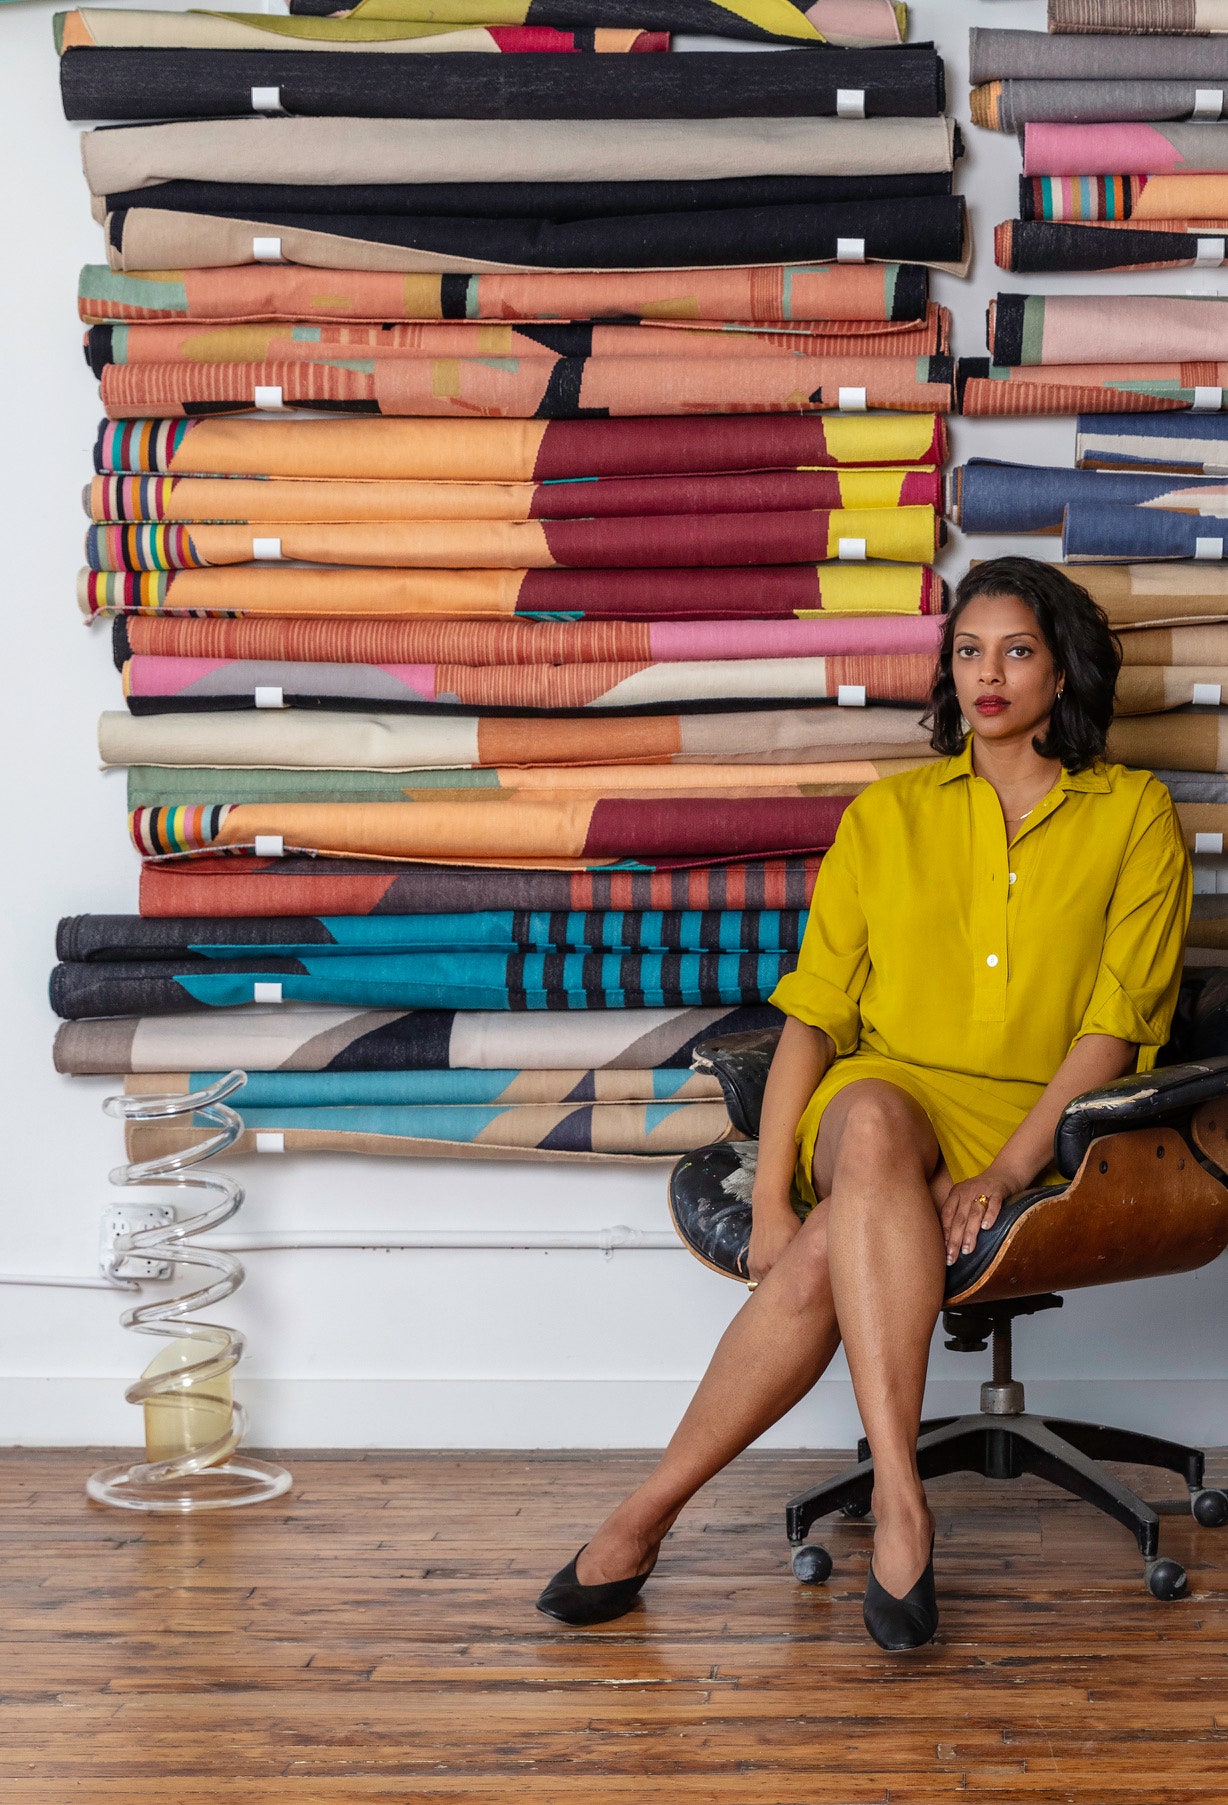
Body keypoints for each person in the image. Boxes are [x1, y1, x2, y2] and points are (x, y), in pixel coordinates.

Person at [536, 556, 1192, 1650]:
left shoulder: (1133, 815)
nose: (987, 673)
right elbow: (814, 1017)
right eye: (968, 649)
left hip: (1031, 1119)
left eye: (1016, 649)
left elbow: (1111, 1029)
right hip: (880, 1097)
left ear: (1062, 668)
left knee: (833, 1248)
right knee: (875, 1128)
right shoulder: (886, 815)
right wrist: (778, 1188)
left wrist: (1001, 1170)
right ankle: (900, 1491)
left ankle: (645, 1515)